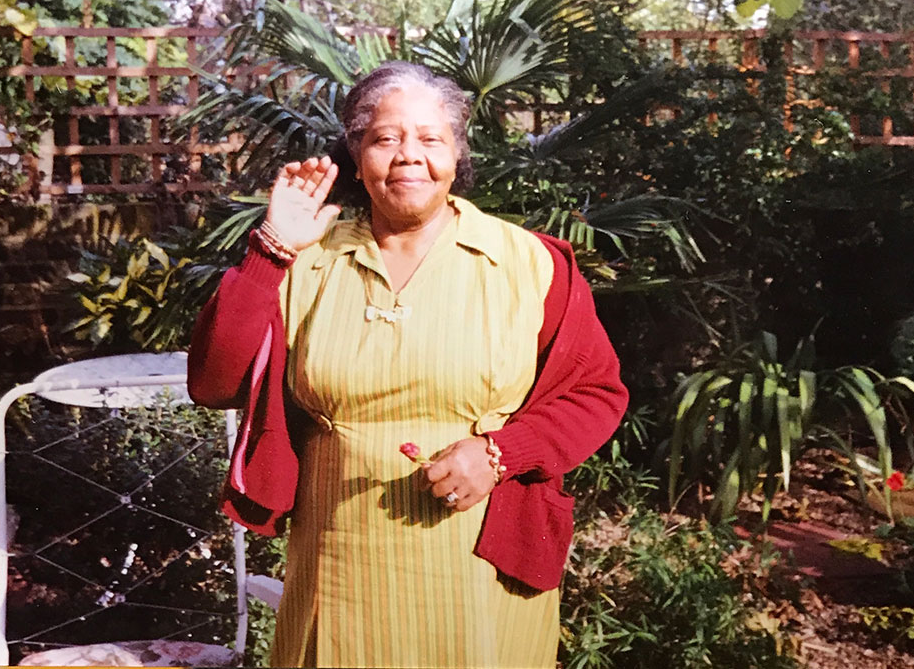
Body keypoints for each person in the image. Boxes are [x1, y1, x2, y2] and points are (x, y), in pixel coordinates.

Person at [188, 62, 628, 668]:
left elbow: (595, 391)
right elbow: (214, 384)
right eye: (386, 138)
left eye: (430, 138)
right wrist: (272, 248)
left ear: (456, 152)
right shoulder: (309, 260)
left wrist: (502, 454)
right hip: (340, 557)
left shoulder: (528, 263)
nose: (408, 157)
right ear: (356, 152)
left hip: (479, 557)